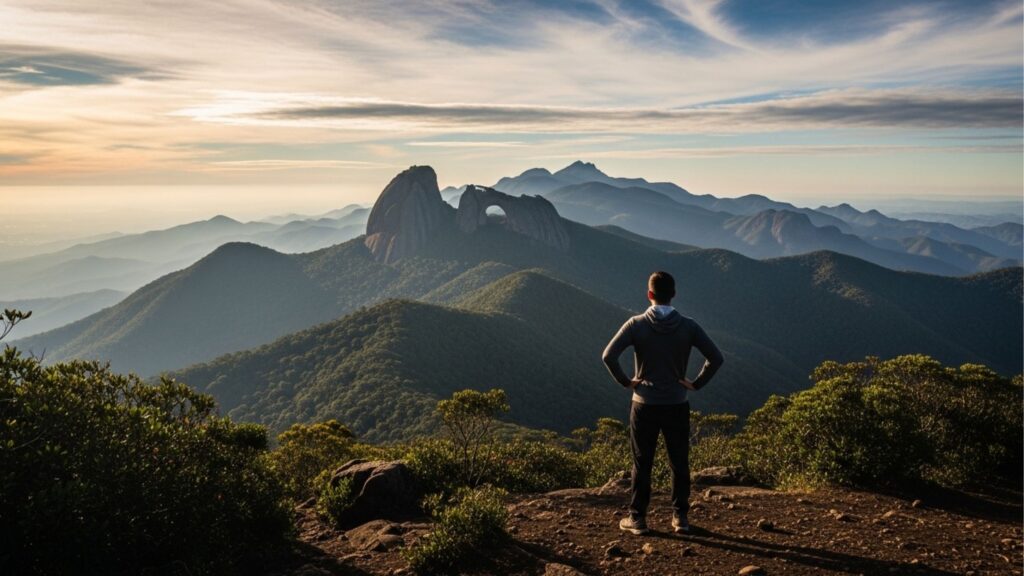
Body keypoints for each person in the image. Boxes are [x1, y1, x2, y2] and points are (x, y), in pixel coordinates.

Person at [601, 271, 724, 535]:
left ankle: (638, 520)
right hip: (677, 404)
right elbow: (716, 358)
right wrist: (696, 383)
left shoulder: (635, 324)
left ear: (649, 294)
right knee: (679, 461)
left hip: (643, 404)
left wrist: (627, 381)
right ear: (674, 295)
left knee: (642, 462)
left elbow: (608, 356)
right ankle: (680, 518)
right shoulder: (689, 326)